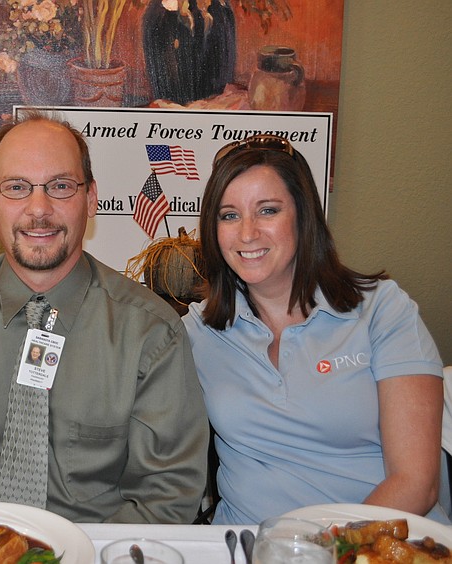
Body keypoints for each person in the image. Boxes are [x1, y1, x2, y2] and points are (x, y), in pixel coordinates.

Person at [0, 111, 208, 523]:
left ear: (91, 199)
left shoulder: (151, 333)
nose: (39, 209)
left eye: (60, 186)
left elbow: (165, 494)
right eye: (17, 187)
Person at [183, 134, 446, 524]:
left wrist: (318, 549)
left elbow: (417, 482)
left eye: (268, 210)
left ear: (304, 216)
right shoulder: (197, 332)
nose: (247, 233)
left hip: (378, 542)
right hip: (249, 543)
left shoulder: (381, 309)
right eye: (229, 215)